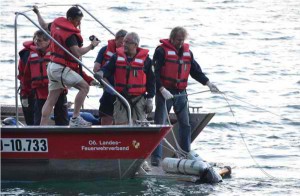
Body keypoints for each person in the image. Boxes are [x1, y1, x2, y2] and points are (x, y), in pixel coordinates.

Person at [151, 27, 219, 166]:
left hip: (181, 93)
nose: (180, 43)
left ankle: (185, 153)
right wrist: (162, 89)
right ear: (172, 38)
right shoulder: (161, 51)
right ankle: (156, 157)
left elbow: (195, 71)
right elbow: (154, 73)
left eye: (182, 40)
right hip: (165, 93)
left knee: (185, 124)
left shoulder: (188, 53)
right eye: (178, 40)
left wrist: (208, 83)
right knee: (160, 124)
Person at [33, 6, 100, 127]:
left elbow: (43, 25)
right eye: (77, 20)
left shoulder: (55, 25)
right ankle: (75, 118)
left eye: (80, 20)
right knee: (84, 87)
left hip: (52, 67)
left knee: (51, 98)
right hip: (60, 68)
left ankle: (41, 126)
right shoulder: (70, 35)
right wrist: (92, 46)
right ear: (69, 19)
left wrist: (37, 13)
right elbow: (77, 53)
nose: (79, 23)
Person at [96, 32, 155, 125]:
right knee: (120, 126)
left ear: (135, 45)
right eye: (124, 42)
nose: (124, 45)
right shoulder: (116, 57)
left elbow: (151, 81)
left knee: (140, 126)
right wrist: (101, 73)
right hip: (121, 99)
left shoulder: (146, 61)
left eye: (127, 42)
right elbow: (107, 69)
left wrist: (150, 99)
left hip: (139, 100)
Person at [23, 30, 68, 125]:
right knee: (38, 120)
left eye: (39, 40)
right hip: (40, 93)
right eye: (35, 40)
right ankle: (39, 137)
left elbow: (68, 70)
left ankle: (63, 138)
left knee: (62, 119)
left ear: (48, 41)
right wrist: (24, 94)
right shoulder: (31, 55)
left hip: (58, 91)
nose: (36, 42)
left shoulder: (57, 53)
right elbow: (26, 77)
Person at [93, 29, 127, 125]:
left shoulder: (129, 53)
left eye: (125, 43)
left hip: (124, 89)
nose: (123, 45)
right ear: (115, 40)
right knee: (106, 109)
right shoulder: (105, 50)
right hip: (108, 85)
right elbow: (96, 69)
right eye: (121, 42)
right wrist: (107, 84)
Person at [17, 39, 35, 125]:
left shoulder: (27, 53)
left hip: (29, 91)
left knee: (31, 120)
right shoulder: (28, 55)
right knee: (32, 119)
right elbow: (26, 77)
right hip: (29, 92)